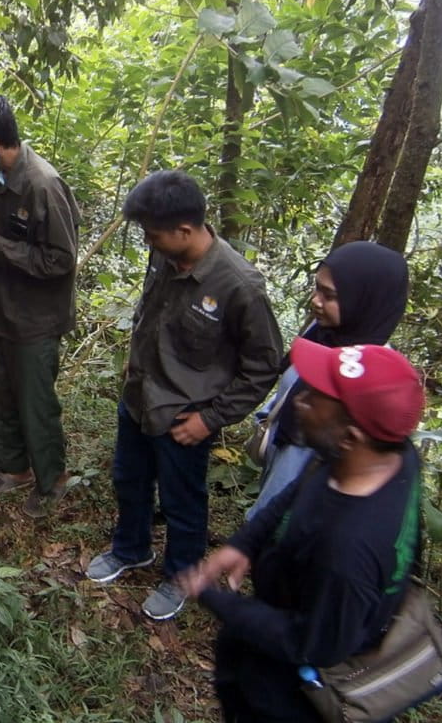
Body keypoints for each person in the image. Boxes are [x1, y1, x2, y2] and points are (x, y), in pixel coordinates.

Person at [179, 339, 426, 723]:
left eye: (314, 397)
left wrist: (218, 600)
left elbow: (315, 644)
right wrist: (247, 541)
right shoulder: (390, 455)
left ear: (350, 437)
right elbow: (300, 490)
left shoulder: (346, 551)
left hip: (288, 690)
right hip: (274, 625)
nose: (298, 398)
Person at [86, 170, 281, 619]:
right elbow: (148, 310)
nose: (149, 243)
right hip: (138, 398)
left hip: (184, 416)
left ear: (186, 230)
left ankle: (181, 574)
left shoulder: (238, 285)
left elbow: (264, 364)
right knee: (129, 480)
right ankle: (131, 549)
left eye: (154, 235)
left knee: (182, 501)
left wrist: (210, 419)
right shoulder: (163, 254)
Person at [0, 90, 81, 518]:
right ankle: (12, 469)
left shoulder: (43, 184)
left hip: (35, 318)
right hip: (1, 308)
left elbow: (60, 260)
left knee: (35, 402)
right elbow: (3, 229)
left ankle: (51, 480)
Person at [247, 240, 409, 519]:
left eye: (328, 295)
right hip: (280, 467)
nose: (315, 301)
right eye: (316, 288)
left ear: (364, 301)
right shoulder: (322, 333)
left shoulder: (369, 377)